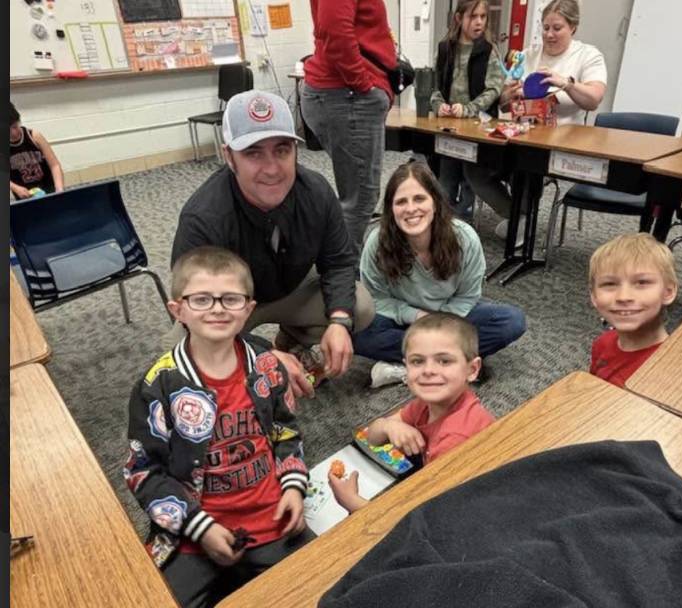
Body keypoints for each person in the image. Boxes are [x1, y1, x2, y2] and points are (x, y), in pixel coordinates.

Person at [126, 246, 314, 608]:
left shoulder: (266, 366)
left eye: (230, 299)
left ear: (248, 309)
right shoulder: (158, 385)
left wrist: (293, 487)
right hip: (191, 532)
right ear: (177, 309)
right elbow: (142, 472)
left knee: (325, 586)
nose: (216, 308)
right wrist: (199, 526)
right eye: (201, 299)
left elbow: (286, 433)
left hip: (271, 518)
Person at [171, 90, 375, 399]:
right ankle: (259, 357)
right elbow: (196, 311)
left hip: (290, 288)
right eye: (253, 152)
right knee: (183, 361)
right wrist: (261, 355)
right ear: (229, 157)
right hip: (227, 304)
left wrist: (339, 322)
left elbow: (338, 263)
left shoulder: (316, 192)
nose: (272, 168)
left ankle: (291, 340)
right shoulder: (203, 218)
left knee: (358, 308)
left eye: (282, 150)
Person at [353, 161, 526, 388]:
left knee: (511, 321)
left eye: (419, 199)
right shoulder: (377, 242)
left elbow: (467, 296)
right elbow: (377, 299)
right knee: (353, 331)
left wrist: (437, 323)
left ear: (435, 202)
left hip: (450, 316)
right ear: (390, 209)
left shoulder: (464, 238)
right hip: (401, 319)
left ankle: (408, 365)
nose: (411, 209)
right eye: (401, 202)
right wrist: (415, 316)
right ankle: (451, 362)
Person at [467, 0, 608, 241]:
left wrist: (566, 83)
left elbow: (594, 99)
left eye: (557, 28)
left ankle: (521, 222)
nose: (549, 34)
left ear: (573, 27)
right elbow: (503, 103)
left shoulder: (588, 55)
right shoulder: (527, 55)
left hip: (560, 141)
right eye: (545, 28)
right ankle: (520, 217)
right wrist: (507, 94)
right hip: (519, 134)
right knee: (473, 166)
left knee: (526, 169)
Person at [329, 312, 496, 512]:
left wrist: (352, 502)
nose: (428, 371)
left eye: (444, 361)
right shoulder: (425, 404)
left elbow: (418, 517)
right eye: (417, 361)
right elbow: (372, 438)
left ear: (472, 370)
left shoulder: (455, 438)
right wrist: (388, 426)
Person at [300, 0, 397, 250]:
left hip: (344, 94)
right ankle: (343, 275)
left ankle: (340, 266)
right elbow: (335, 30)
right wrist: (363, 84)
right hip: (348, 94)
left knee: (355, 195)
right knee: (360, 199)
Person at [430, 0, 508, 222]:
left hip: (478, 126)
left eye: (483, 17)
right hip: (449, 127)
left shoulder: (489, 50)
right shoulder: (445, 48)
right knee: (446, 177)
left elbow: (494, 89)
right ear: (458, 18)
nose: (479, 22)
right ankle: (444, 222)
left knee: (469, 177)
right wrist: (439, 104)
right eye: (473, 17)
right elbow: (436, 87)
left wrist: (468, 109)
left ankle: (464, 222)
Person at [588, 233, 678, 388]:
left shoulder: (671, 367)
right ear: (594, 296)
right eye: (609, 284)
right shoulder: (603, 343)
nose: (624, 297)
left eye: (642, 282)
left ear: (668, 292)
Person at [10, 101, 64, 200]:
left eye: (14, 126)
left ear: (18, 120)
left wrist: (59, 189)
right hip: (24, 196)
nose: (13, 133)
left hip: (49, 190)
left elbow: (54, 165)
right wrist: (15, 187)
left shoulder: (34, 136)